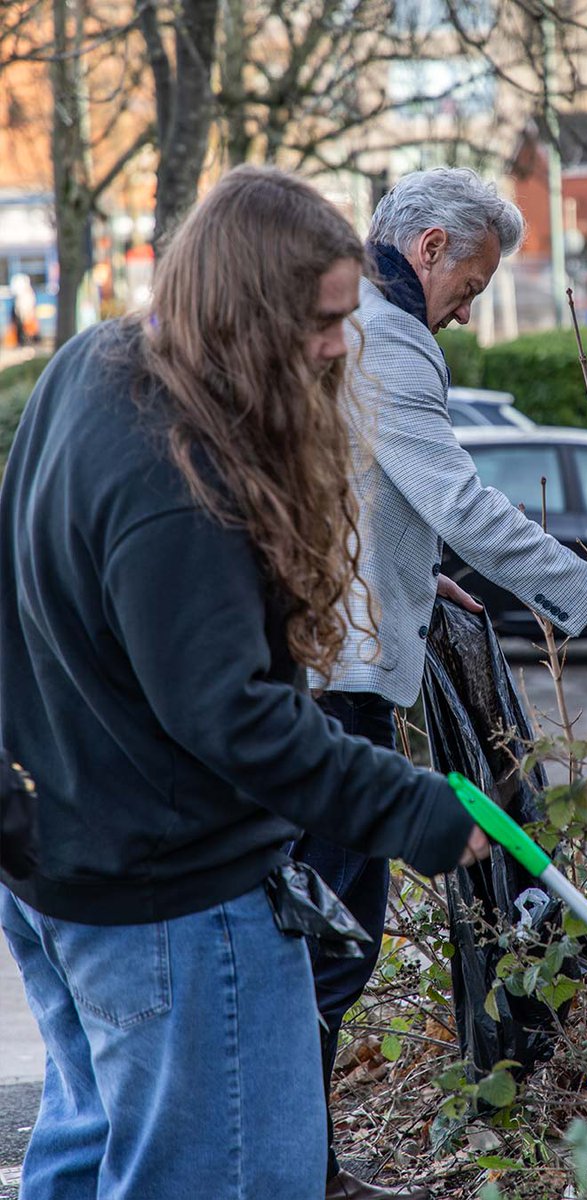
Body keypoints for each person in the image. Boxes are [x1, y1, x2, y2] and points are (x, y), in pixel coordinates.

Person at [0, 165, 488, 1200]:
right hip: (173, 907)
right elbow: (232, 716)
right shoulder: (180, 482)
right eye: (323, 320)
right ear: (252, 310)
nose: (337, 347)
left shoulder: (93, 366)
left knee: (91, 1164)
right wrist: (417, 809)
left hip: (63, 867)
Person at [296, 167, 587, 1200]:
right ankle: (297, 1170)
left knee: (318, 934)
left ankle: (293, 1161)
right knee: (333, 938)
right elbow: (463, 498)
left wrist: (422, 572)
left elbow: (359, 490)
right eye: (472, 281)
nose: (468, 311)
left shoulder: (355, 322)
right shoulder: (384, 334)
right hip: (340, 689)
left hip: (324, 671)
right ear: (428, 248)